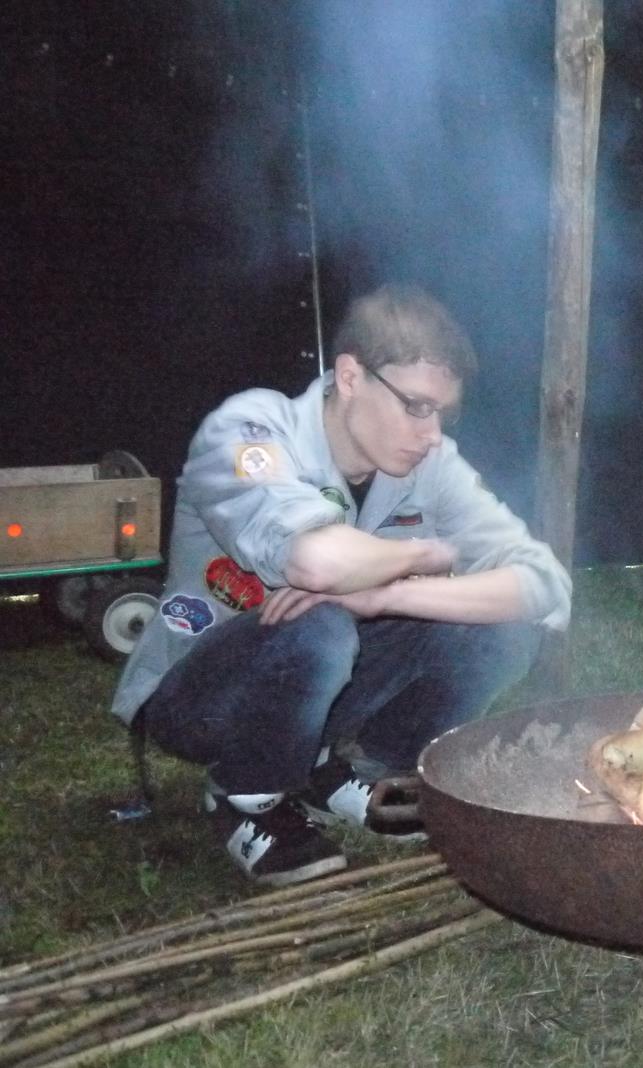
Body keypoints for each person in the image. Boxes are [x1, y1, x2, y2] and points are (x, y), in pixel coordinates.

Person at [111, 284, 573, 887]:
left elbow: (546, 585)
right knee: (318, 624)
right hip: (198, 690)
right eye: (416, 406)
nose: (432, 433)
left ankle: (356, 770)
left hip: (328, 675)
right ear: (351, 376)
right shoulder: (250, 429)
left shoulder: (431, 465)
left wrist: (388, 595)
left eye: (443, 413)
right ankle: (245, 793)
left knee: (502, 627)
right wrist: (426, 553)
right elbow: (315, 563)